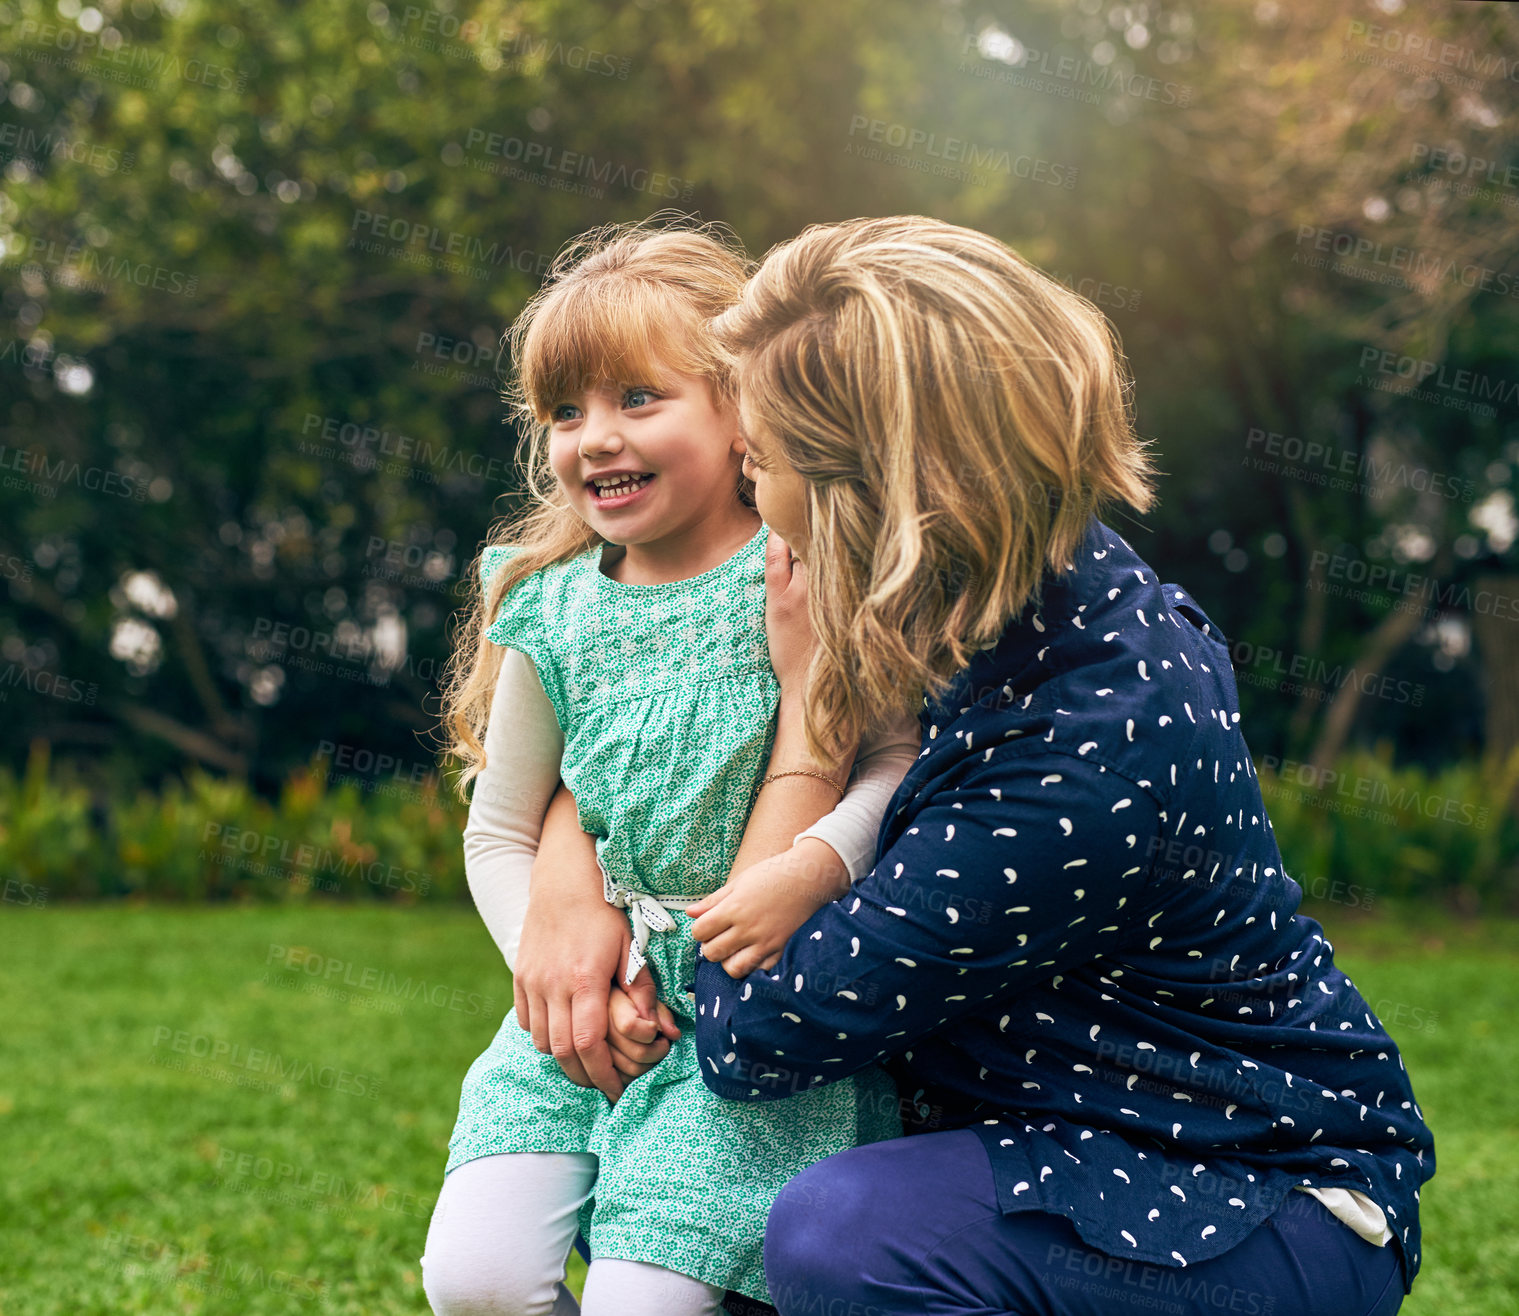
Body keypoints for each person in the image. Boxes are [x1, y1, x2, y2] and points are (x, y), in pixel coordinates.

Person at [533, 216, 1435, 1316]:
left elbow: (750, 1026)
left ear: (876, 493)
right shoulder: (1014, 584)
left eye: (762, 461)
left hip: (1246, 1190)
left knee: (846, 1234)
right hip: (1061, 1126)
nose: (746, 491)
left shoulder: (1073, 761)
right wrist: (565, 883)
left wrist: (812, 729)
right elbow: (630, 734)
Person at [421, 218, 916, 1316]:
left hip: (755, 1013)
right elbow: (502, 824)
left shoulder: (807, 574)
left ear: (742, 405)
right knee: (476, 1279)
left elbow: (891, 767)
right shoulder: (549, 606)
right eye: (566, 410)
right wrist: (564, 981)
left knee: (648, 1299)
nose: (596, 436)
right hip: (579, 1010)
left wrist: (818, 866)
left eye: (639, 398)